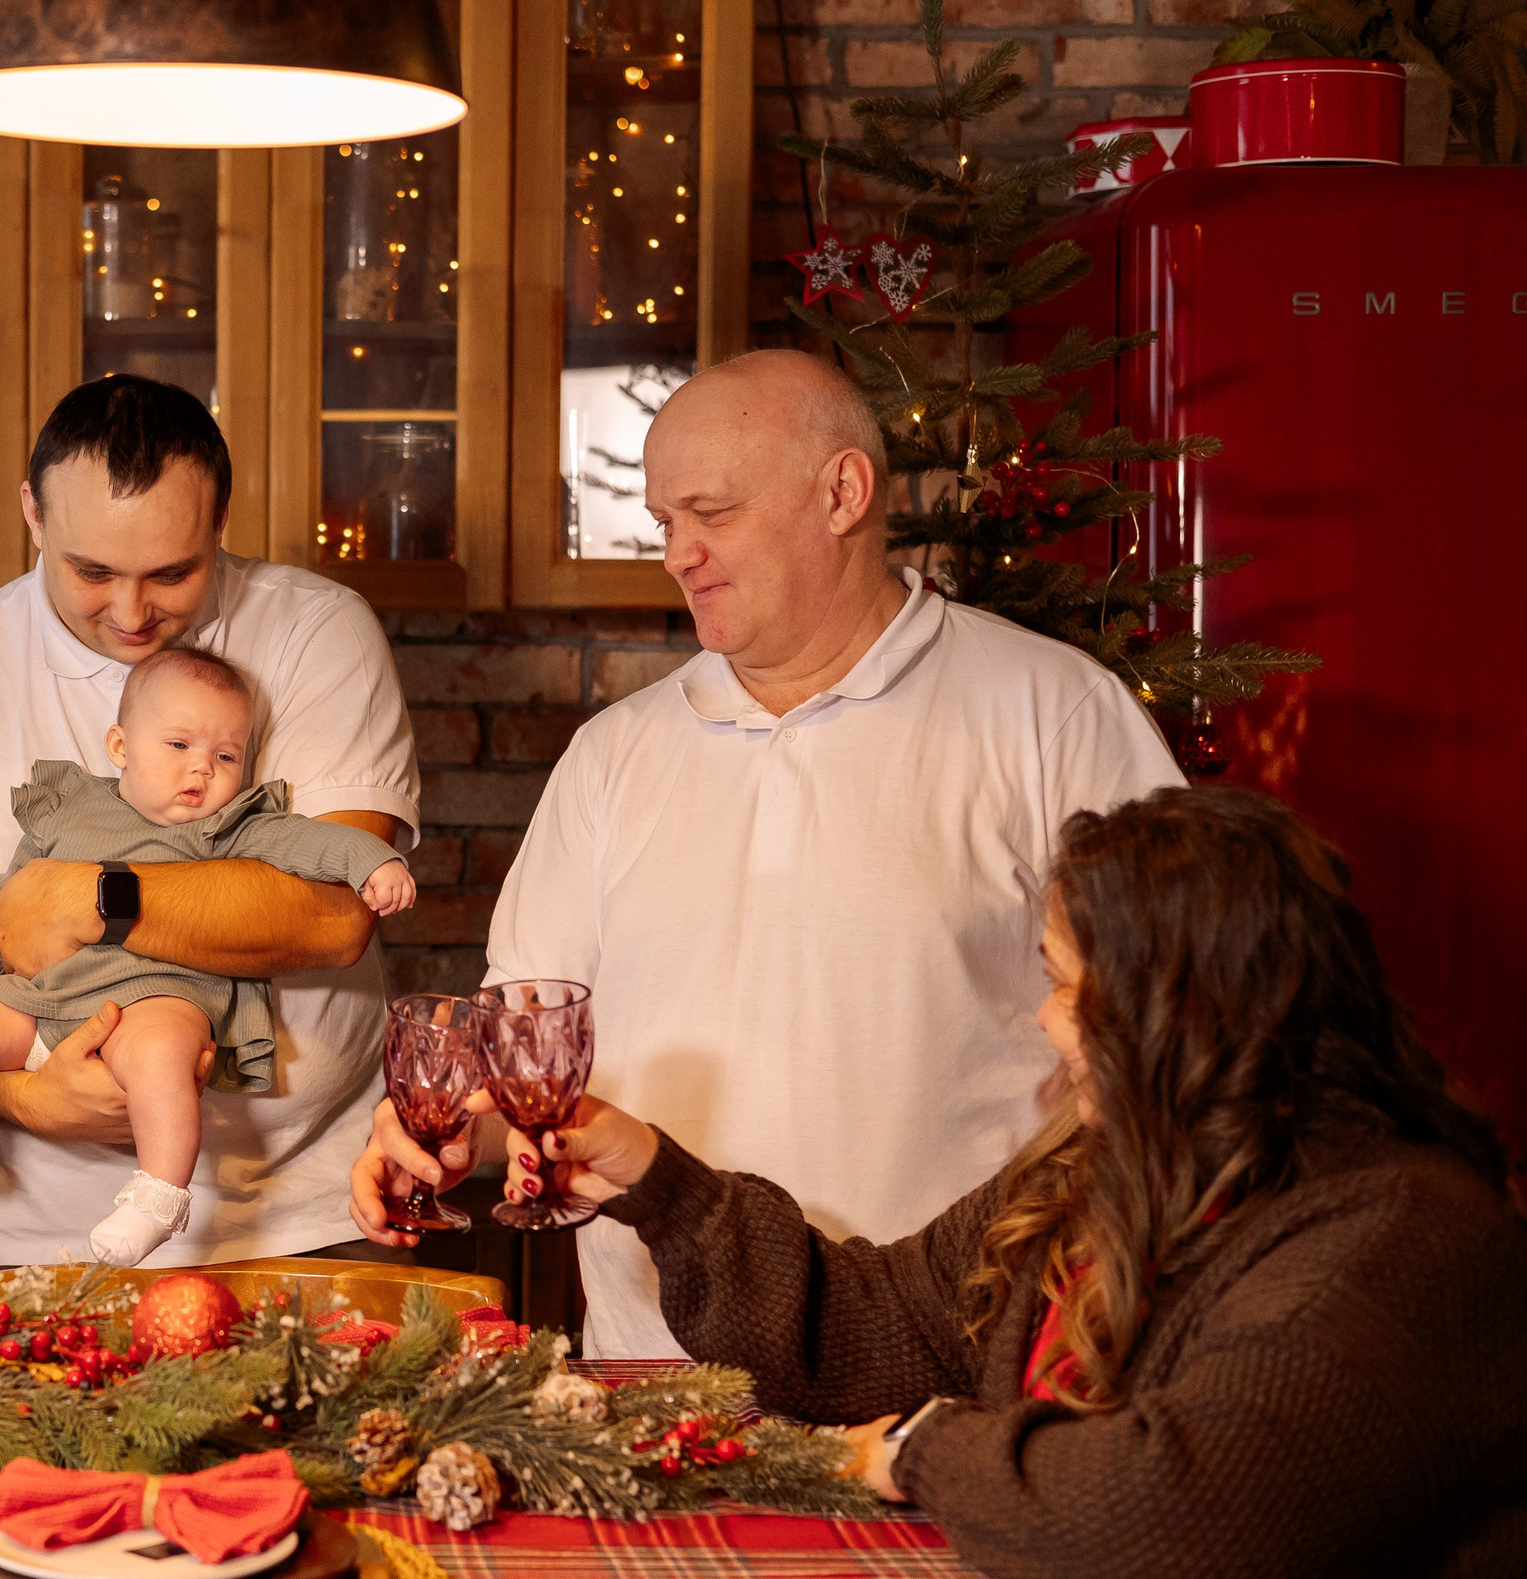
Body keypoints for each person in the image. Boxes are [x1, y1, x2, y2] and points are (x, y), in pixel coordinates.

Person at [469, 787, 1527, 1579]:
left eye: (1065, 983)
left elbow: (1175, 1511)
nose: (1041, 1017)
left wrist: (921, 1449)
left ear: (1174, 1013)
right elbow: (869, 1324)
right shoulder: (1102, 1171)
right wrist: (662, 1184)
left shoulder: (1402, 1240)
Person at [350, 349, 1185, 1355]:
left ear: (841, 492)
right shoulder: (613, 756)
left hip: (958, 1365)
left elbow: (1164, 1035)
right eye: (665, 524)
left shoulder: (1053, 713)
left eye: (712, 513)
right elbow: (525, 1056)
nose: (677, 553)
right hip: (657, 1372)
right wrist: (445, 1137)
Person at [0, 374, 420, 1269]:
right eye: (92, 570)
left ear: (221, 522)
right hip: (36, 1234)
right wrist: (25, 1098)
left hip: (315, 1211)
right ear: (32, 512)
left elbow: (334, 913)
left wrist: (96, 899)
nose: (132, 611)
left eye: (173, 573)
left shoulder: (317, 632)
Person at [0, 647, 413, 1264]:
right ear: (120, 746)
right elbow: (5, 903)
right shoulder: (71, 811)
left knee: (164, 1054)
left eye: (225, 756)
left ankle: (157, 1196)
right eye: (179, 746)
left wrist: (372, 861)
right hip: (45, 1003)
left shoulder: (230, 827)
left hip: (159, 1000)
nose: (202, 772)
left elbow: (313, 841)